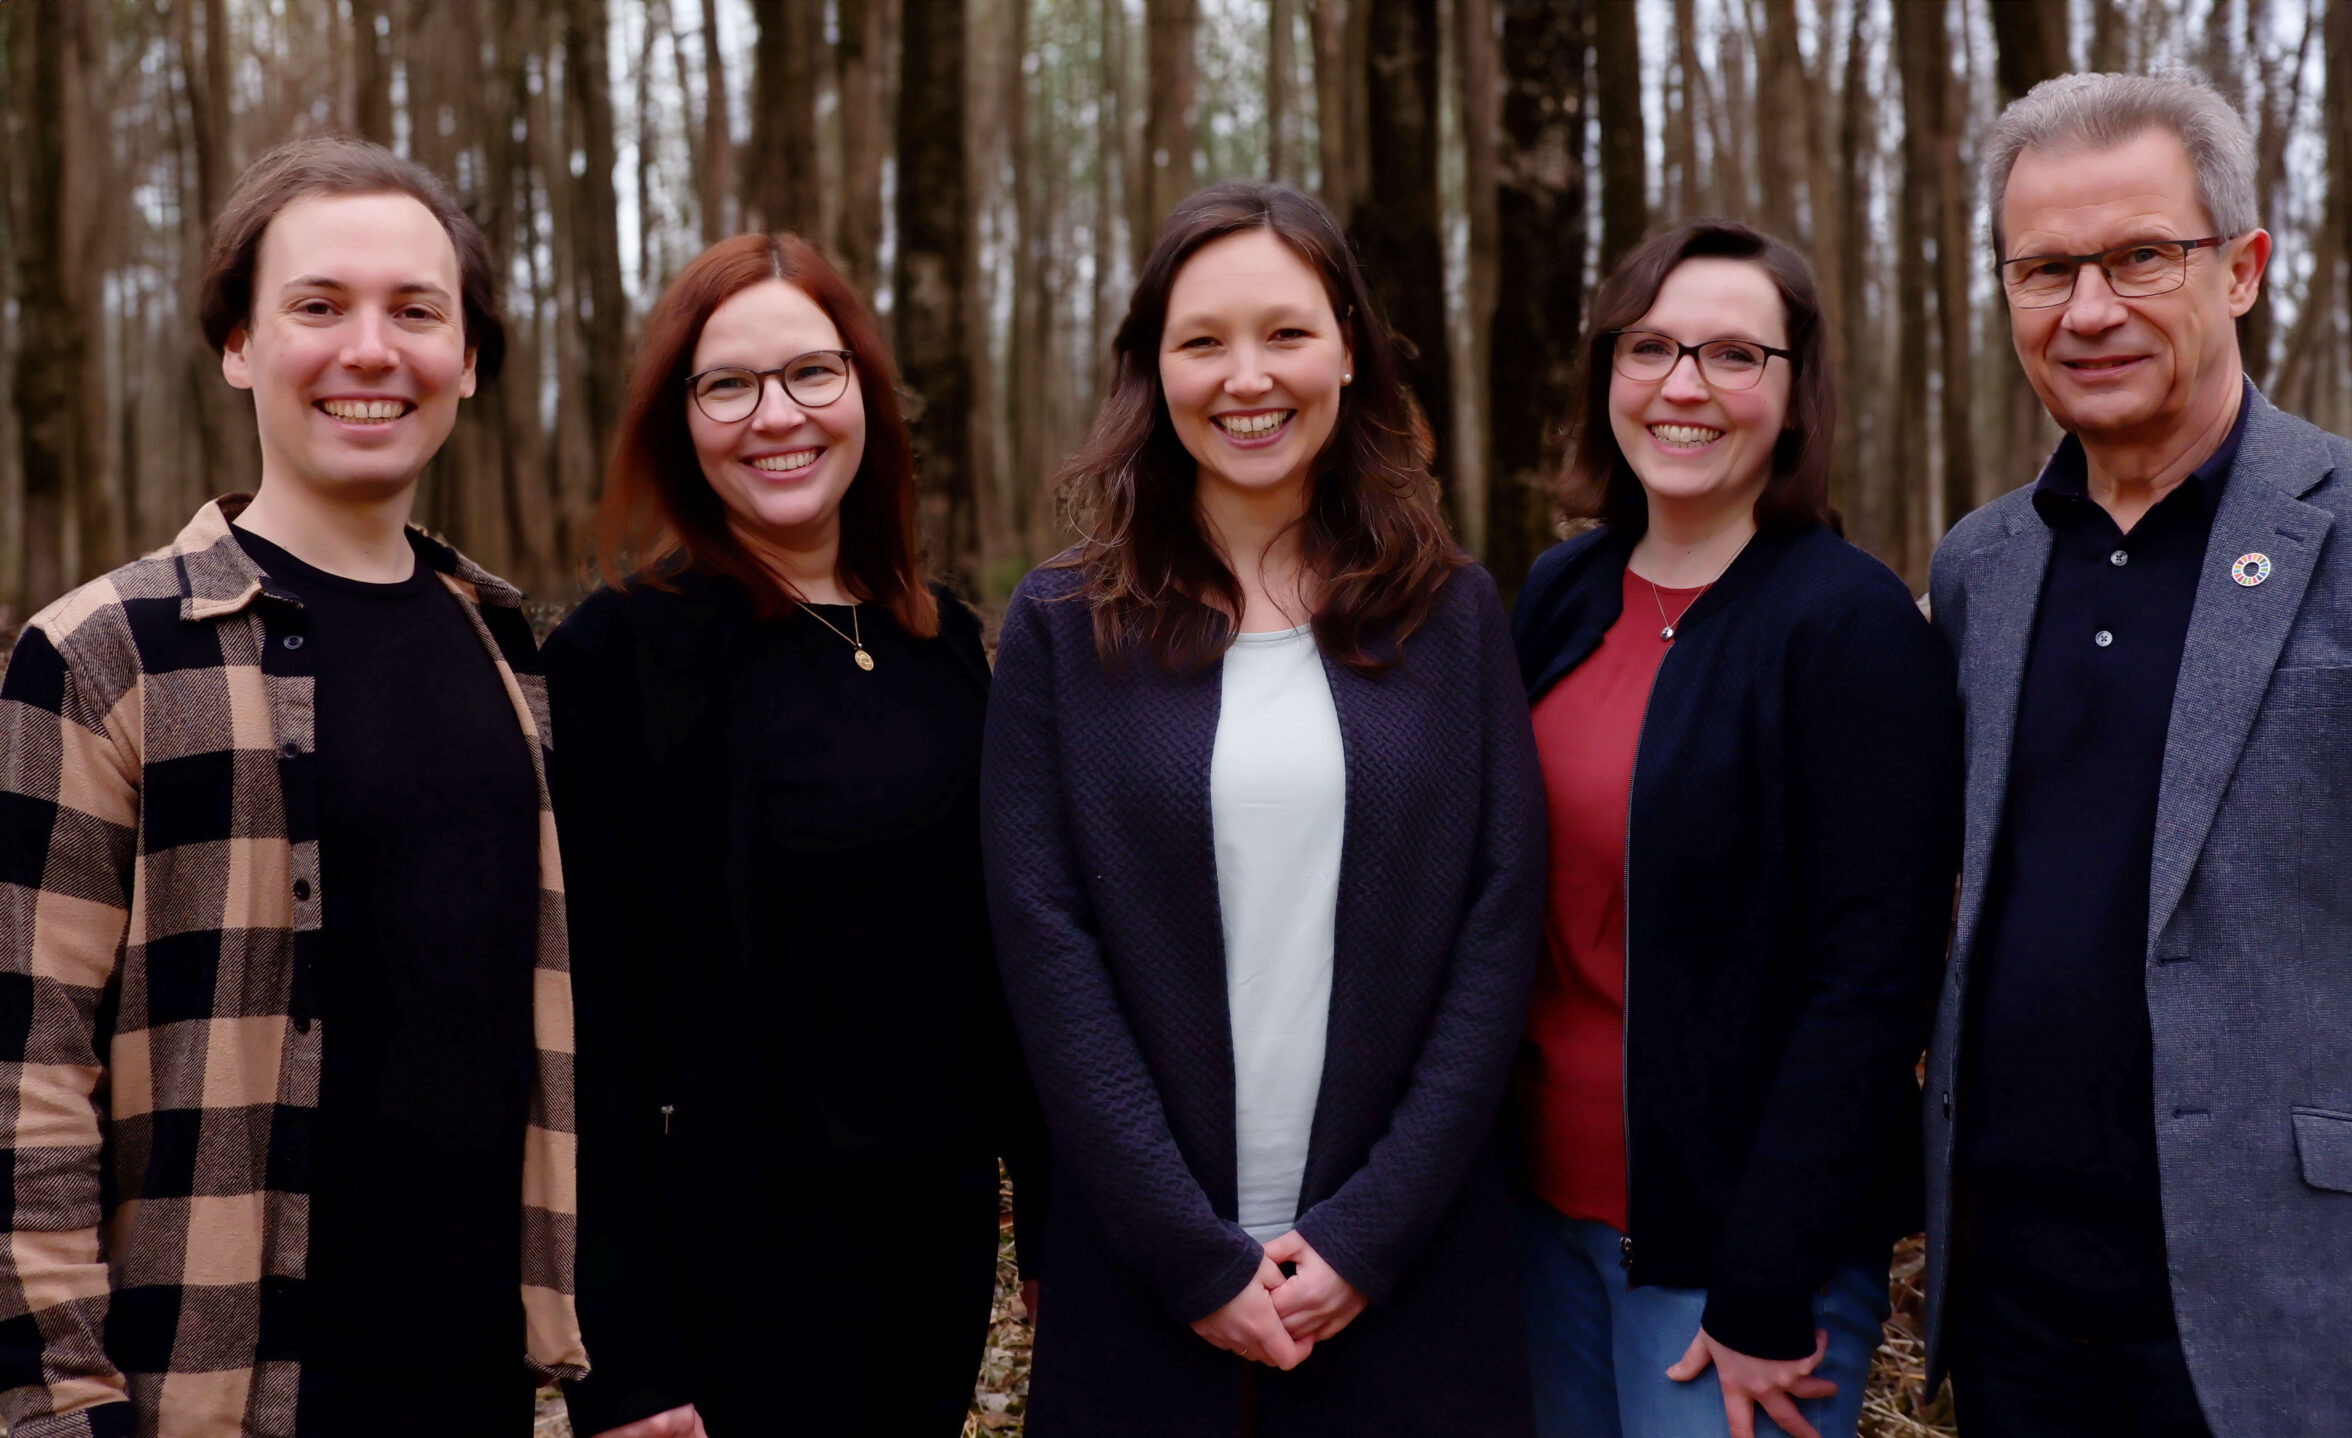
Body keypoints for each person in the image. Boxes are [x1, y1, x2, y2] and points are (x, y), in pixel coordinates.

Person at [1923, 70, 2352, 1438]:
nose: (2089, 309)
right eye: (2045, 269)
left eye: (2141, 256)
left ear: (2245, 267)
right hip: (2016, 1323)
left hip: (2292, 1324)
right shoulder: (1983, 567)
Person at [0, 136, 583, 1437]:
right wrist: (56, 1399)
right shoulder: (103, 655)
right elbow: (22, 1069)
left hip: (480, 1382)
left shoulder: (509, 654)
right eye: (318, 307)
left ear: (468, 359)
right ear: (238, 346)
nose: (369, 351)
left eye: (416, 311)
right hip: (202, 1394)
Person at [981, 182, 1544, 1437]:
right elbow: (1047, 948)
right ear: (1151, 368)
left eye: (1285, 332)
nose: (1248, 378)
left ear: (1347, 346)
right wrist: (1192, 1253)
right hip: (1145, 1280)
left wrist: (1364, 1232)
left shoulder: (1447, 611)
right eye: (1202, 341)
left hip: (1406, 1273)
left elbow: (1497, 930)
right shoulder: (1063, 626)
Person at [544, 233, 1047, 1438]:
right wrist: (626, 1356)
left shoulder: (944, 649)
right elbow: (585, 1027)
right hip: (728, 1268)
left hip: (934, 1243)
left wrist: (1051, 1227)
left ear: (865, 392)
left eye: (812, 374)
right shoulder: (616, 657)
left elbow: (1010, 960)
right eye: (729, 385)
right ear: (681, 419)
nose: (777, 416)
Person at [1507, 221, 1960, 1438]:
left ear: (1793, 392)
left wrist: (1766, 1285)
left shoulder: (1849, 630)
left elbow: (1871, 984)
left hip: (1733, 1263)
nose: (1683, 386)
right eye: (1649, 348)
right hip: (1535, 1220)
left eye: (1731, 355)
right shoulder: (1560, 594)